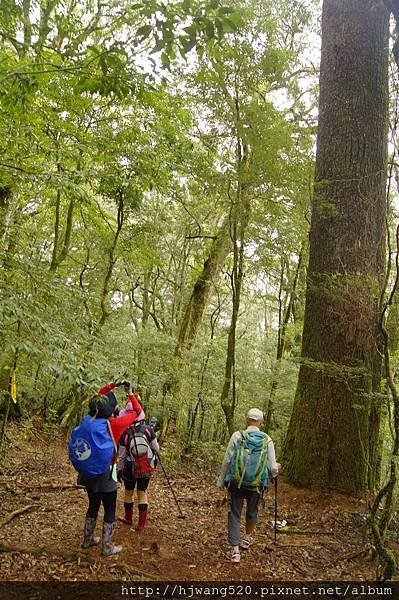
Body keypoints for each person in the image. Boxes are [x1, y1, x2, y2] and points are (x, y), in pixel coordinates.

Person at [71, 380, 142, 556]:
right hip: (106, 472)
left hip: (87, 472)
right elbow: (138, 412)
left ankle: (87, 540)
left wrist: (112, 385)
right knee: (109, 509)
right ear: (110, 409)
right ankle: (107, 547)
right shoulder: (114, 424)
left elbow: (96, 395)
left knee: (93, 505)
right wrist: (130, 393)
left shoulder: (88, 419)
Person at [217, 408, 279, 563]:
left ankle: (235, 551)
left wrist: (221, 480)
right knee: (252, 511)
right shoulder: (267, 440)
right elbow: (272, 468)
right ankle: (247, 538)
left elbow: (227, 460)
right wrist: (277, 469)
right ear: (261, 422)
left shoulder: (238, 436)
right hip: (257, 485)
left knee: (235, 513)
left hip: (236, 482)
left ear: (247, 420)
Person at [117, 403, 159, 531]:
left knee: (128, 493)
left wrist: (119, 470)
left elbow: (122, 456)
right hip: (144, 467)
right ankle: (141, 525)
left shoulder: (124, 434)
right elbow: (156, 448)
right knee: (142, 494)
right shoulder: (148, 430)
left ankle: (128, 518)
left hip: (130, 467)